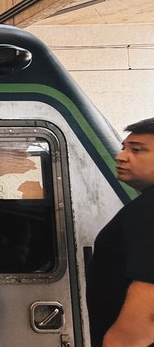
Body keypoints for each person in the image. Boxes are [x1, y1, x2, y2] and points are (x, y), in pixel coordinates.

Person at [87, 117, 154, 346]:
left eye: (137, 150)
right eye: (124, 147)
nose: (121, 156)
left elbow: (148, 312)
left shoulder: (149, 208)